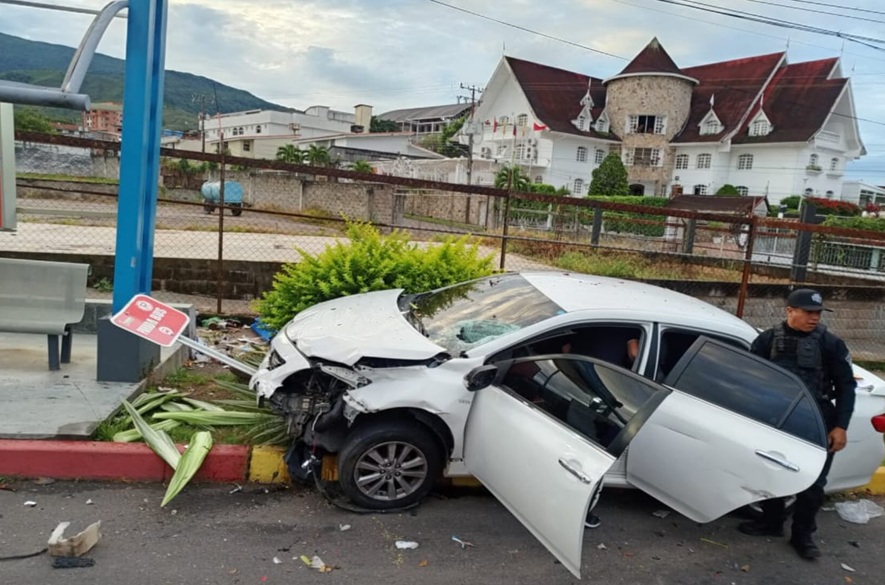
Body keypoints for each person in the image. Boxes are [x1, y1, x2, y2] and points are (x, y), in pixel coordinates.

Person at [737, 288, 856, 560]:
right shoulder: (766, 340)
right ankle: (771, 523)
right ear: (790, 311)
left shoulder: (830, 344)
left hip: (818, 420)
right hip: (777, 419)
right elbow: (750, 381)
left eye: (818, 313)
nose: (814, 318)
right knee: (771, 473)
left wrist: (841, 426)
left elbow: (846, 387)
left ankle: (803, 536)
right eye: (808, 312)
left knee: (813, 484)